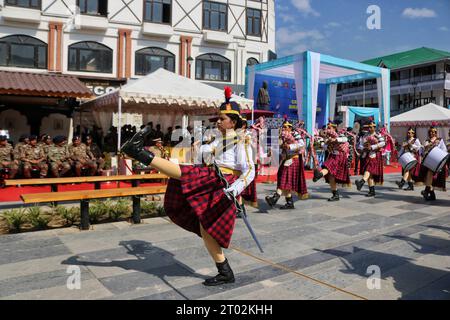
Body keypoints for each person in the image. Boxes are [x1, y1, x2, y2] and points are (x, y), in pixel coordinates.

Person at [121, 87, 255, 287]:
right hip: (212, 181)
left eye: (222, 118)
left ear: (233, 121)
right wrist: (197, 150)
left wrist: (234, 190)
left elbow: (250, 170)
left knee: (184, 174)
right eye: (218, 118)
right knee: (206, 229)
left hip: (222, 185)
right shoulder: (217, 139)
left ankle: (139, 152)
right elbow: (201, 160)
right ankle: (225, 272)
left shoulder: (241, 140)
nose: (217, 121)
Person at [265, 120, 308, 210]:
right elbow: (280, 146)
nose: (284, 128)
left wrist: (290, 146)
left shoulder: (295, 134)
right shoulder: (283, 136)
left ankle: (275, 198)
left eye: (286, 127)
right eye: (283, 126)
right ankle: (289, 202)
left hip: (294, 158)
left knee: (284, 178)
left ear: (290, 127)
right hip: (286, 158)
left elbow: (301, 144)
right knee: (282, 177)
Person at [312, 121, 351, 201]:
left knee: (328, 167)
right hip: (332, 156)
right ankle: (335, 194)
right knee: (330, 176)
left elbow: (345, 139)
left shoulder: (340, 134)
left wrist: (335, 139)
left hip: (339, 156)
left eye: (329, 128)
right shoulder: (327, 137)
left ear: (334, 128)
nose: (327, 129)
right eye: (327, 128)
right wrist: (323, 144)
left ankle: (319, 175)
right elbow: (325, 147)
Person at [355, 120, 385, 197]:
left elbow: (383, 143)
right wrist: (364, 147)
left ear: (375, 127)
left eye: (372, 127)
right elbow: (359, 145)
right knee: (369, 174)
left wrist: (372, 147)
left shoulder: (378, 135)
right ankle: (372, 191)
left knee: (369, 169)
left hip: (374, 155)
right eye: (369, 127)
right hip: (366, 155)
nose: (370, 128)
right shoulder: (365, 136)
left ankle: (361, 182)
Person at [419, 124, 448, 200]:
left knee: (430, 173)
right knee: (428, 177)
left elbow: (444, 150)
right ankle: (432, 195)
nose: (432, 133)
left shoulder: (439, 140)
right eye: (430, 132)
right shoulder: (426, 141)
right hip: (427, 161)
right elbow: (421, 152)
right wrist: (422, 149)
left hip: (436, 161)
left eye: (433, 132)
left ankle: (426, 191)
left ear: (436, 132)